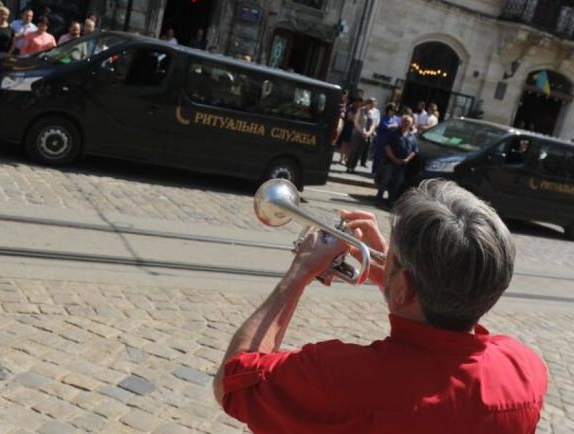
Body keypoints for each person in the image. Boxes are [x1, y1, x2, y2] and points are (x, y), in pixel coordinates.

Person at [214, 179, 548, 433]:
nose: (385, 255)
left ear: (403, 288)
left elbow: (234, 382)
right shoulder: (525, 371)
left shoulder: (340, 376)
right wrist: (390, 273)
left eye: (391, 255)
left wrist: (300, 272)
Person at [376, 114, 418, 208]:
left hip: (402, 164)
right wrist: (394, 159)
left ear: (411, 124)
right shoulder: (393, 133)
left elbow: (414, 151)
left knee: (397, 183)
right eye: (404, 121)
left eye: (408, 122)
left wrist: (407, 159)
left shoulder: (412, 136)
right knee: (385, 180)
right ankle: (379, 199)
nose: (406, 124)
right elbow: (387, 147)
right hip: (390, 161)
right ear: (401, 122)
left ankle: (391, 201)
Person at [346, 98, 375, 173]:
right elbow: (356, 122)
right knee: (354, 151)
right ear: (368, 104)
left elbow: (372, 125)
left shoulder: (371, 113)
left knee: (359, 152)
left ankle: (353, 167)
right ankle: (349, 167)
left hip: (365, 135)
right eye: (372, 105)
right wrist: (362, 132)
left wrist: (368, 133)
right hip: (358, 133)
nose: (373, 107)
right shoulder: (361, 110)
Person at [371, 102, 399, 174]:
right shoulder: (384, 117)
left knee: (386, 157)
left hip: (390, 141)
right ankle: (374, 171)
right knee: (378, 155)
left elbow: (398, 126)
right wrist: (393, 125)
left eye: (394, 110)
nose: (393, 112)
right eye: (391, 110)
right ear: (388, 110)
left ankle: (381, 172)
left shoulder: (395, 118)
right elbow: (385, 126)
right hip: (382, 140)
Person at [360, 97, 380, 168]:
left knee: (368, 147)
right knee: (360, 146)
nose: (374, 104)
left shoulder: (377, 111)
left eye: (375, 103)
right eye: (372, 103)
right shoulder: (364, 109)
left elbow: (377, 122)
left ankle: (364, 162)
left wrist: (373, 130)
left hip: (371, 130)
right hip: (363, 129)